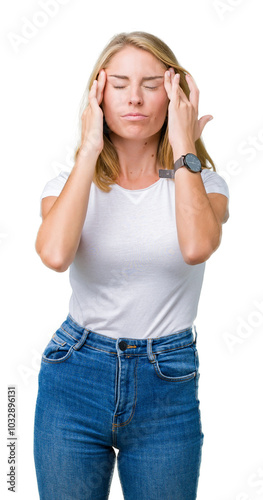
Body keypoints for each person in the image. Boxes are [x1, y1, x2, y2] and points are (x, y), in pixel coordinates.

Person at [33, 31, 229, 500]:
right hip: (75, 373)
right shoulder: (68, 183)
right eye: (119, 84)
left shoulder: (203, 183)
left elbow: (198, 245)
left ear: (174, 94)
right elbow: (55, 255)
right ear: (98, 94)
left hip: (168, 379)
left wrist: (184, 147)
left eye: (150, 83)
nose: (135, 98)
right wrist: (88, 151)